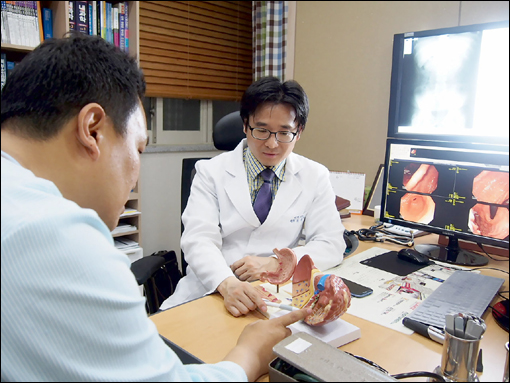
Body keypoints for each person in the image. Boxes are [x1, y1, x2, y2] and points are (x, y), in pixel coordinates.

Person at [1, 33, 310, 382]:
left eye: (284, 132)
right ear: (92, 129)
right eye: (139, 148)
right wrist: (249, 354)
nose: (136, 173)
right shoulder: (59, 238)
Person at [160, 76, 346, 317]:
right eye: (262, 130)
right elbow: (198, 239)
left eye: (284, 133)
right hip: (212, 290)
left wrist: (278, 264)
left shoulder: (314, 175)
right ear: (245, 125)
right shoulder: (210, 172)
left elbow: (331, 244)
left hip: (276, 297)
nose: (272, 143)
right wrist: (227, 283)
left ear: (298, 132)